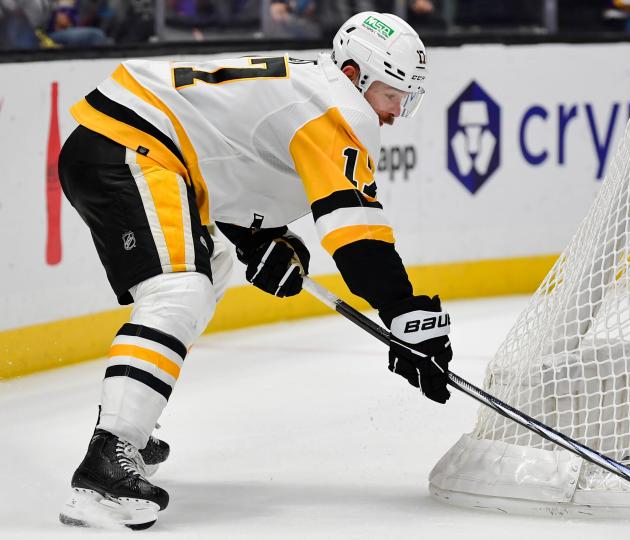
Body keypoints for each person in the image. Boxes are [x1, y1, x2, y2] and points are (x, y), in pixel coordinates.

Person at [57, 11, 448, 530]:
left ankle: (129, 422)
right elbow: (357, 238)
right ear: (356, 75)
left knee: (211, 269)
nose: (396, 113)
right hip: (132, 147)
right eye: (392, 95)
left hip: (130, 142)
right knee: (178, 289)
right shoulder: (340, 110)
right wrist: (403, 312)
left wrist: (259, 239)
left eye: (406, 99)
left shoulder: (312, 85)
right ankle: (109, 457)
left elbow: (226, 148)